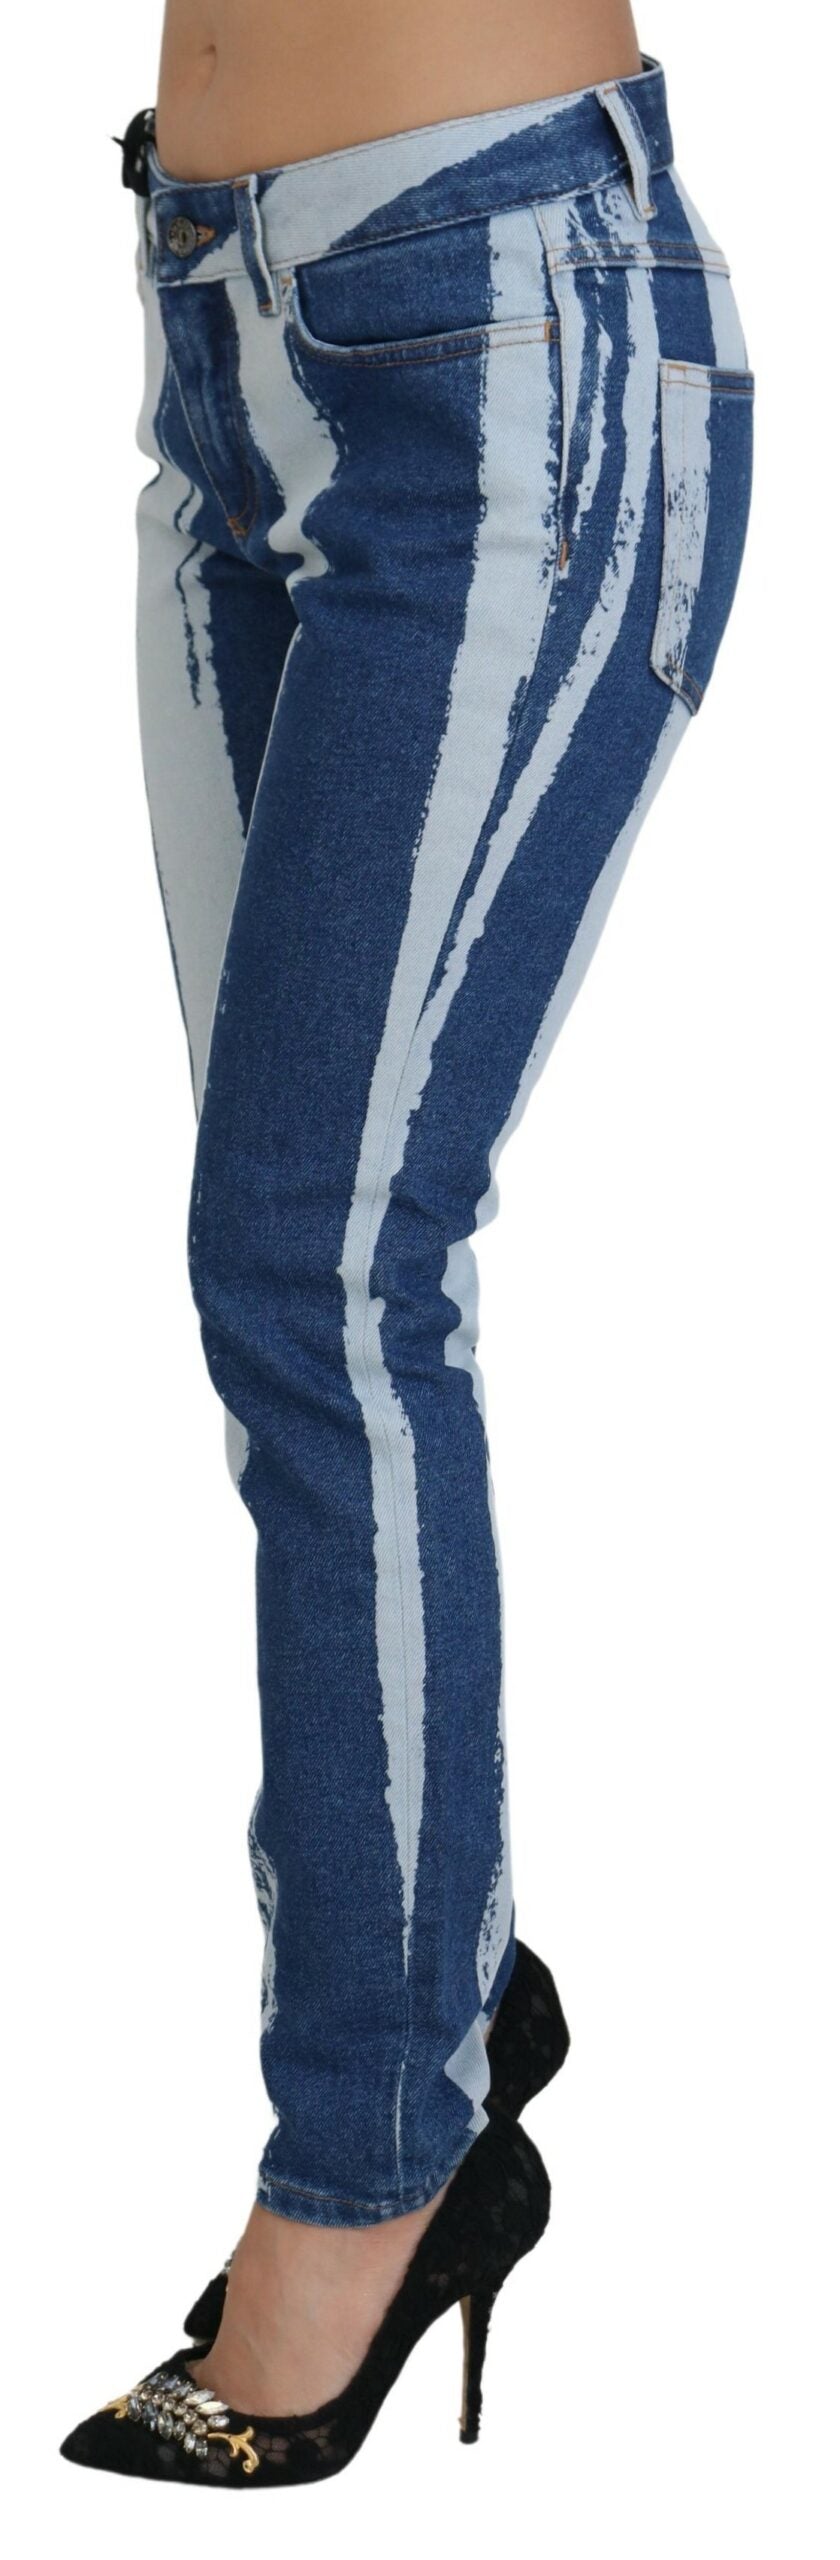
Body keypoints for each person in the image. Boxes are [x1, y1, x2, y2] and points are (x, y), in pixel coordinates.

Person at [60, 0, 753, 2488]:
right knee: (295, 1283)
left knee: (323, 1268)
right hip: (217, 336)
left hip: (505, 332)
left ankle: (376, 2140)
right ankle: (436, 2007)